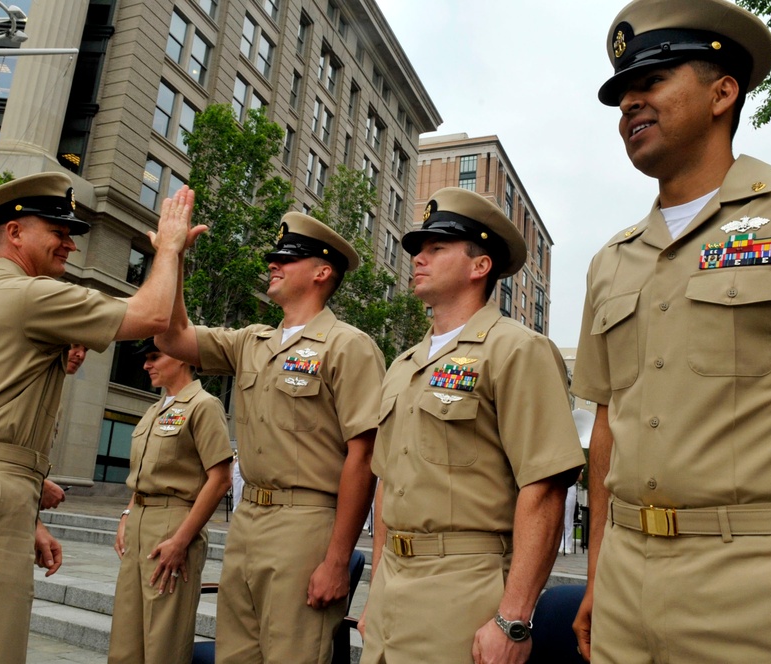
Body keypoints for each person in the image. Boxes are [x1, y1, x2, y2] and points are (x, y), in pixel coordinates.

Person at [571, 1, 771, 661]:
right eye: (621, 95)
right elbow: (606, 426)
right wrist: (596, 574)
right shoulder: (611, 261)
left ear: (722, 92)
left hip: (764, 596)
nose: (630, 105)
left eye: (652, 81)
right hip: (624, 596)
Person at [0, 171, 201, 664]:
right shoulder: (27, 294)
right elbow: (153, 317)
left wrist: (28, 501)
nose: (70, 245)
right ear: (15, 233)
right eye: (58, 232)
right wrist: (168, 248)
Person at [359, 187, 585, 664]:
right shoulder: (402, 364)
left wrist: (512, 618)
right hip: (390, 590)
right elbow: (386, 484)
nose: (418, 258)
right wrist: (377, 581)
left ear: (479, 266)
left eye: (436, 248)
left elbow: (545, 485)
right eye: (419, 249)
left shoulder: (517, 350)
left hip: (462, 588)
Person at [157, 211, 385, 663]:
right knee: (235, 654)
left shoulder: (348, 345)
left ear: (322, 272)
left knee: (293, 655)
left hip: (306, 523)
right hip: (247, 522)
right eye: (273, 258)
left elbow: (364, 457)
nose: (273, 265)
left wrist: (338, 559)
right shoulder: (251, 341)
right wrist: (173, 257)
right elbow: (172, 337)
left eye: (287, 258)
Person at [108, 339, 232, 664]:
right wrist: (126, 514)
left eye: (154, 357)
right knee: (125, 638)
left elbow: (219, 479)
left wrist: (181, 540)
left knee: (163, 639)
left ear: (180, 357)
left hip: (173, 525)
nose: (146, 365)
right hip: (139, 524)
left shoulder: (204, 405)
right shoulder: (154, 409)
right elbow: (143, 474)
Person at [40, 344, 89, 511]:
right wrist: (39, 485)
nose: (80, 355)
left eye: (86, 350)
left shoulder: (55, 393)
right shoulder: (32, 385)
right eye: (73, 346)